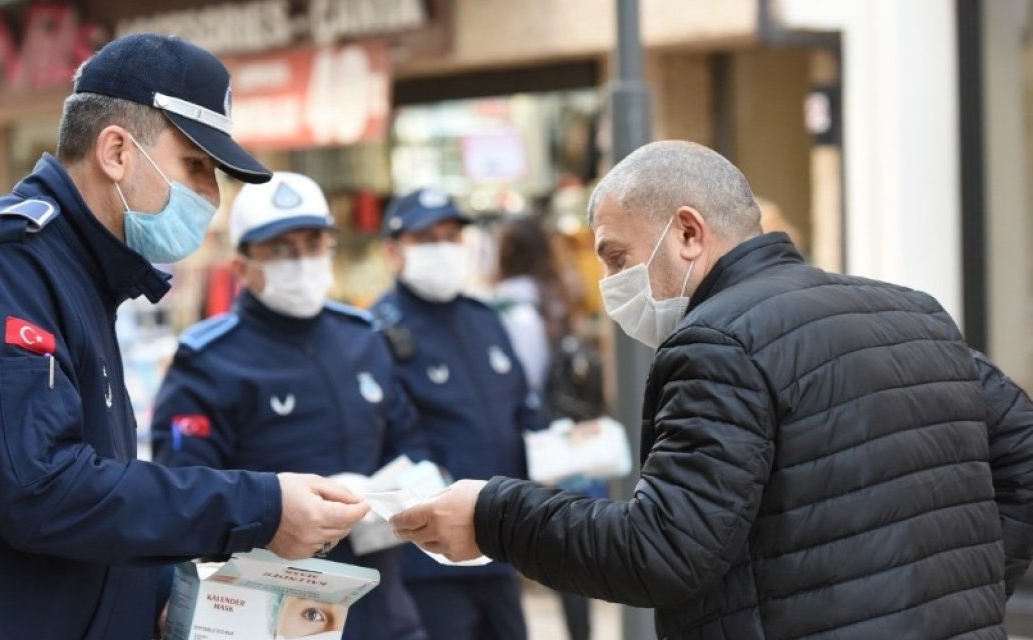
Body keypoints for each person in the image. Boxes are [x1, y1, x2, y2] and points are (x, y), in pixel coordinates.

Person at [0, 34, 368, 640]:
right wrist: (261, 508)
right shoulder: (6, 268)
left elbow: (91, 496)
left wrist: (164, 595)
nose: (210, 197)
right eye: (195, 166)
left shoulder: (81, 273)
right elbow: (41, 491)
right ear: (116, 151)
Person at [391, 140, 1033, 638]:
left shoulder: (717, 344)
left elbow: (662, 548)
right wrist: (959, 595)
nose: (613, 282)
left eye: (616, 257)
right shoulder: (912, 311)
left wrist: (493, 515)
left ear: (689, 233)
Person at [151, 172, 429, 640]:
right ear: (241, 267)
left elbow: (412, 444)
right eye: (280, 249)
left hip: (382, 606)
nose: (301, 261)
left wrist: (387, 497)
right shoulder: (210, 360)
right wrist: (275, 510)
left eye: (314, 242)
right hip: (270, 615)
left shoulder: (362, 338)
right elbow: (183, 490)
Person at [372, 188, 537, 640]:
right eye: (427, 239)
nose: (443, 248)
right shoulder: (377, 332)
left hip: (500, 545)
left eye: (451, 236)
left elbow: (523, 408)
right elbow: (389, 435)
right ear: (393, 251)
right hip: (430, 563)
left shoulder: (483, 318)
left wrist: (559, 446)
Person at [490, 215, 598, 640]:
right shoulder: (559, 296)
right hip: (565, 443)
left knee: (516, 540)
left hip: (529, 442)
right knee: (566, 542)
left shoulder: (504, 305)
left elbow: (522, 383)